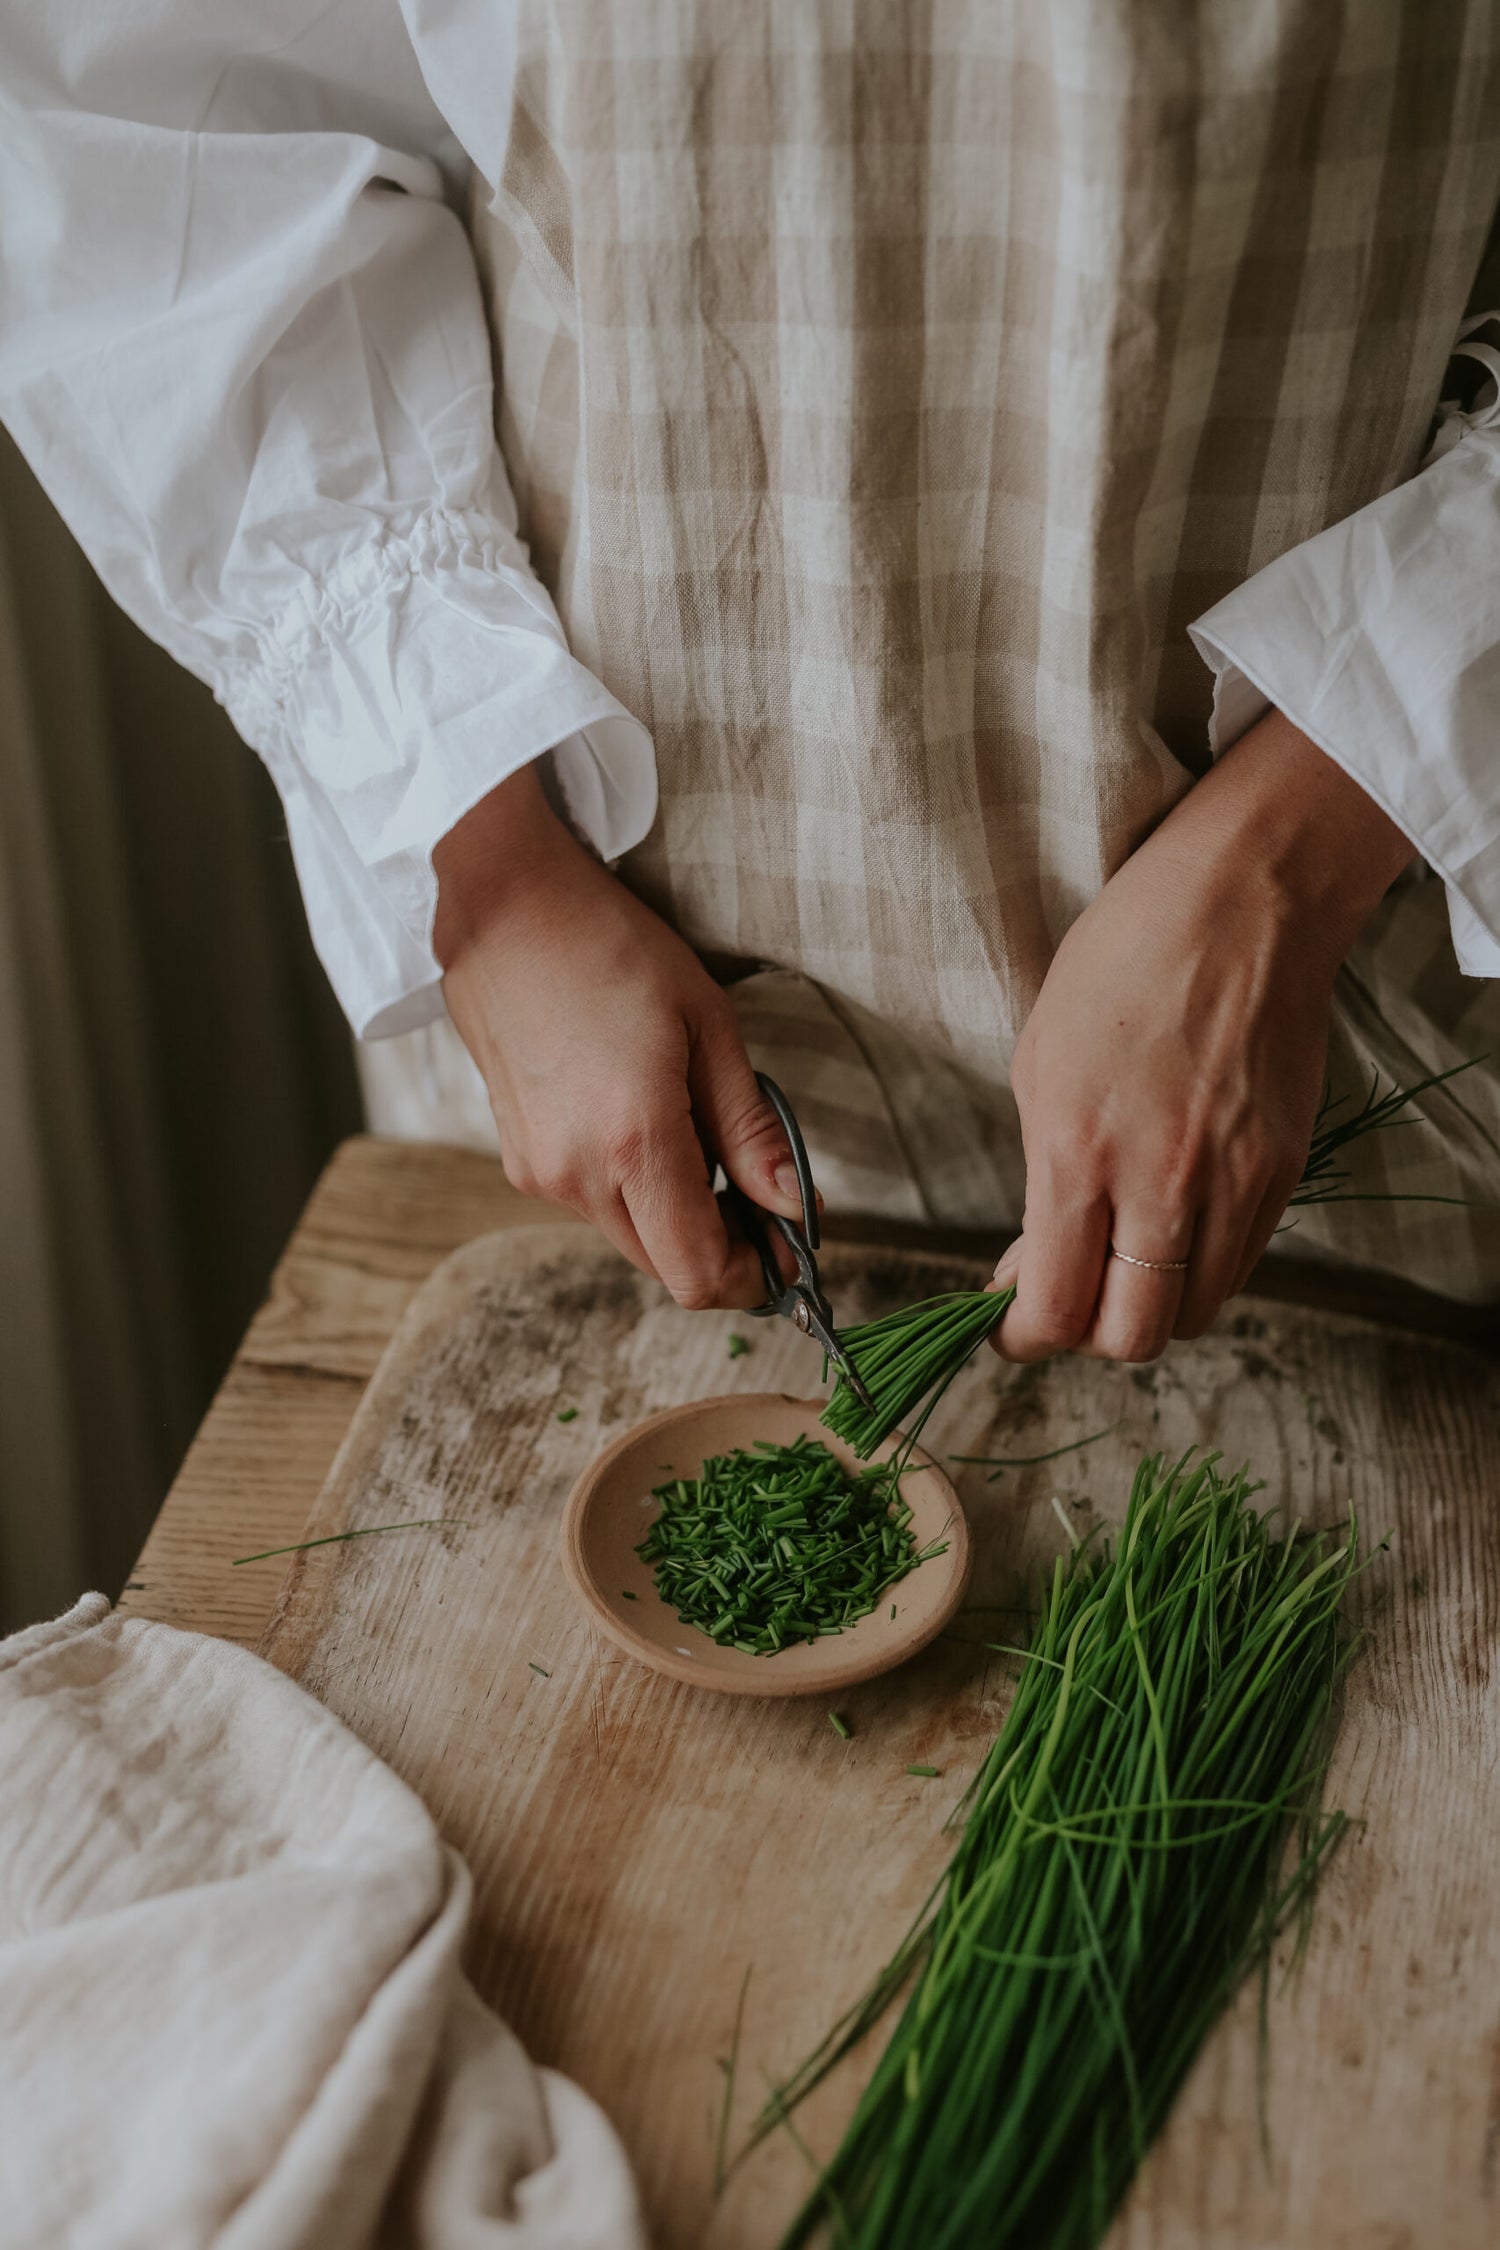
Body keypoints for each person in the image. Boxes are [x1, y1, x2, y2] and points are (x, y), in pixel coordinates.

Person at [3, 1, 1498, 1365]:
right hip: (587, 1024)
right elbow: (159, 127)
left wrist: (1293, 854)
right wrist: (492, 860)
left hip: (1347, 1023)